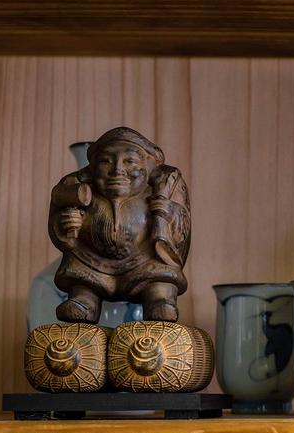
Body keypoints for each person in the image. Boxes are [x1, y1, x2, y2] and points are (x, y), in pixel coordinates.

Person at [48, 126, 190, 322]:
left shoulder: (165, 186)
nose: (117, 170)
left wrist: (167, 211)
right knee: (82, 285)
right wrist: (68, 225)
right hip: (91, 265)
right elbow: (60, 220)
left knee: (160, 283)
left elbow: (181, 224)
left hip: (145, 264)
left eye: (129, 161)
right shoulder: (79, 187)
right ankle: (84, 302)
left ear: (146, 166)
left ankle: (159, 301)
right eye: (106, 161)